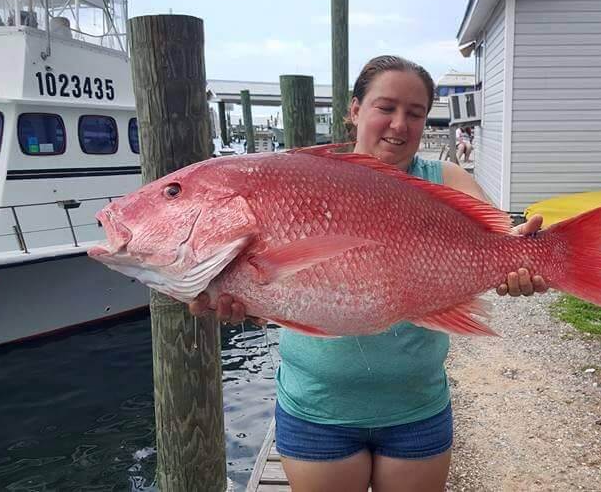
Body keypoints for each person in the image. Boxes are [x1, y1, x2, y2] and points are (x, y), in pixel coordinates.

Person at [190, 55, 546, 492]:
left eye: (415, 114)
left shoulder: (445, 179)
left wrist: (526, 255)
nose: (400, 124)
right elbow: (281, 294)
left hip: (415, 408)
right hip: (317, 410)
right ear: (354, 109)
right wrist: (247, 305)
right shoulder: (306, 178)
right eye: (386, 107)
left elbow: (499, 235)